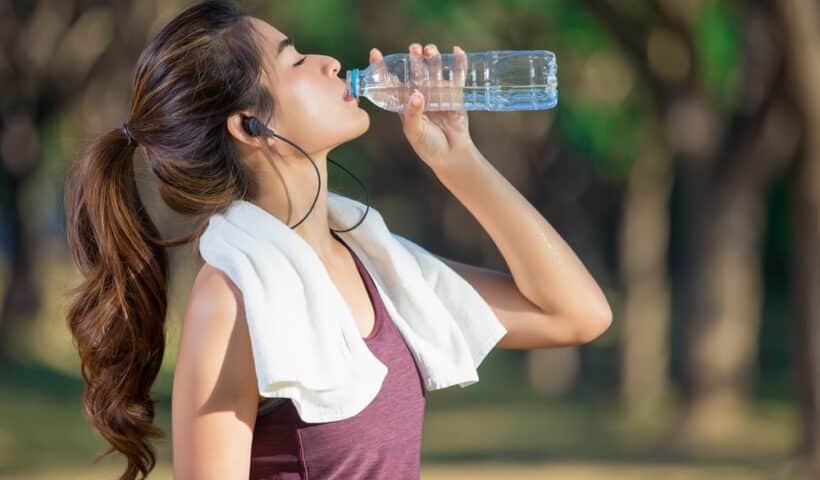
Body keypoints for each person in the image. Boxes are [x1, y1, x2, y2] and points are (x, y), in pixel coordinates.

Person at [63, 1, 612, 479]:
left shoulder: (377, 265)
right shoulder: (232, 298)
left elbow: (576, 314)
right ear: (249, 125)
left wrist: (459, 162)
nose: (330, 62)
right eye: (295, 60)